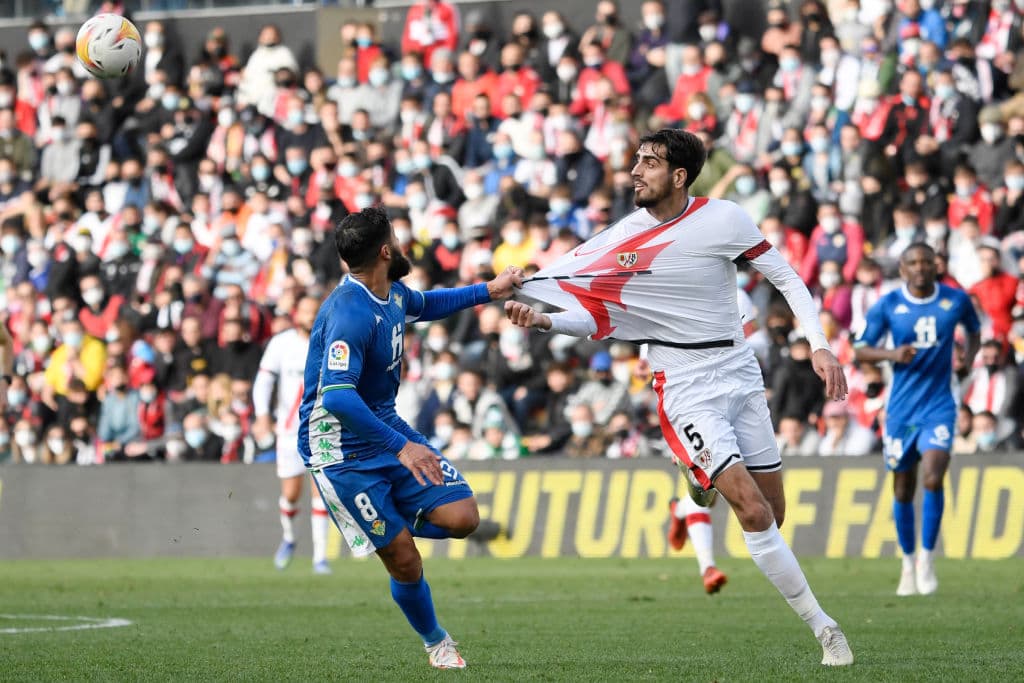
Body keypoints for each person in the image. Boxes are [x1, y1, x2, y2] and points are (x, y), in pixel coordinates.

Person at [505, 129, 853, 666]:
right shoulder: (623, 238)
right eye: (636, 161)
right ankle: (825, 629)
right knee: (754, 513)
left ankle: (697, 477)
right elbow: (596, 313)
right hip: (684, 383)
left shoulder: (725, 219)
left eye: (649, 163)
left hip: (737, 368)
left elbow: (785, 277)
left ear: (679, 176)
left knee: (774, 514)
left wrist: (821, 345)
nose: (635, 171)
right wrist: (545, 319)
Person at [297, 207, 523, 670]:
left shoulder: (390, 291)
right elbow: (337, 397)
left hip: (381, 420)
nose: (401, 244)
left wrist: (490, 291)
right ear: (385, 250)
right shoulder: (349, 314)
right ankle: (437, 642)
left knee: (463, 517)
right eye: (396, 238)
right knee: (405, 559)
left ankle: (391, 520)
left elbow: (425, 304)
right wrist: (402, 446)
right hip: (340, 447)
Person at [854, 242, 981, 596]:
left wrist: (968, 359)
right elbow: (861, 348)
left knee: (934, 475)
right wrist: (892, 353)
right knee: (902, 486)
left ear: (936, 266)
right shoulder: (889, 305)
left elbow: (974, 330)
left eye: (927, 261)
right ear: (903, 268)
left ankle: (927, 557)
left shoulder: (955, 300)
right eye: (914, 262)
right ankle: (907, 562)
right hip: (901, 408)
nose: (921, 267)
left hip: (940, 403)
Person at [253, 295, 332, 575]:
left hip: (324, 428)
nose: (311, 317)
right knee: (290, 494)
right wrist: (262, 415)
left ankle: (320, 558)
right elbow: (264, 380)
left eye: (315, 312)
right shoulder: (281, 343)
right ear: (297, 314)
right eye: (307, 311)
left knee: (321, 493)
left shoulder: (331, 341)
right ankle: (289, 538)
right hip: (289, 431)